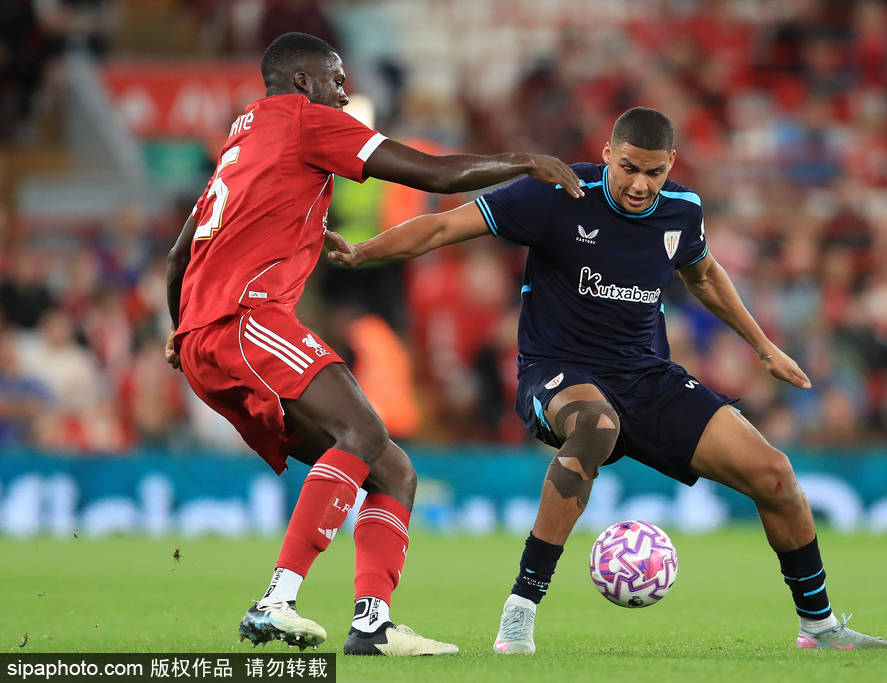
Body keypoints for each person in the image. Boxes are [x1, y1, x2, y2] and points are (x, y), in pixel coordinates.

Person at [327, 107, 887, 653]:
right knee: (595, 427)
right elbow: (441, 227)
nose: (639, 184)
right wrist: (361, 253)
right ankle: (521, 609)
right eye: (628, 168)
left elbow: (704, 276)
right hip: (557, 369)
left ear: (671, 164)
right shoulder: (556, 193)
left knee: (775, 475)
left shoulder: (682, 210)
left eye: (654, 172)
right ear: (607, 153)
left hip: (645, 374)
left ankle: (819, 626)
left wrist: (764, 347)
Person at [164, 32, 583, 657]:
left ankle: (373, 625)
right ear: (303, 82)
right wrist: (523, 161)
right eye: (336, 80)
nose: (344, 92)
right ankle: (276, 601)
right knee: (360, 432)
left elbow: (180, 253)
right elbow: (433, 172)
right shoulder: (307, 121)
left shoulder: (243, 140)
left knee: (392, 470)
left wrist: (180, 334)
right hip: (245, 321)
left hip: (206, 337)